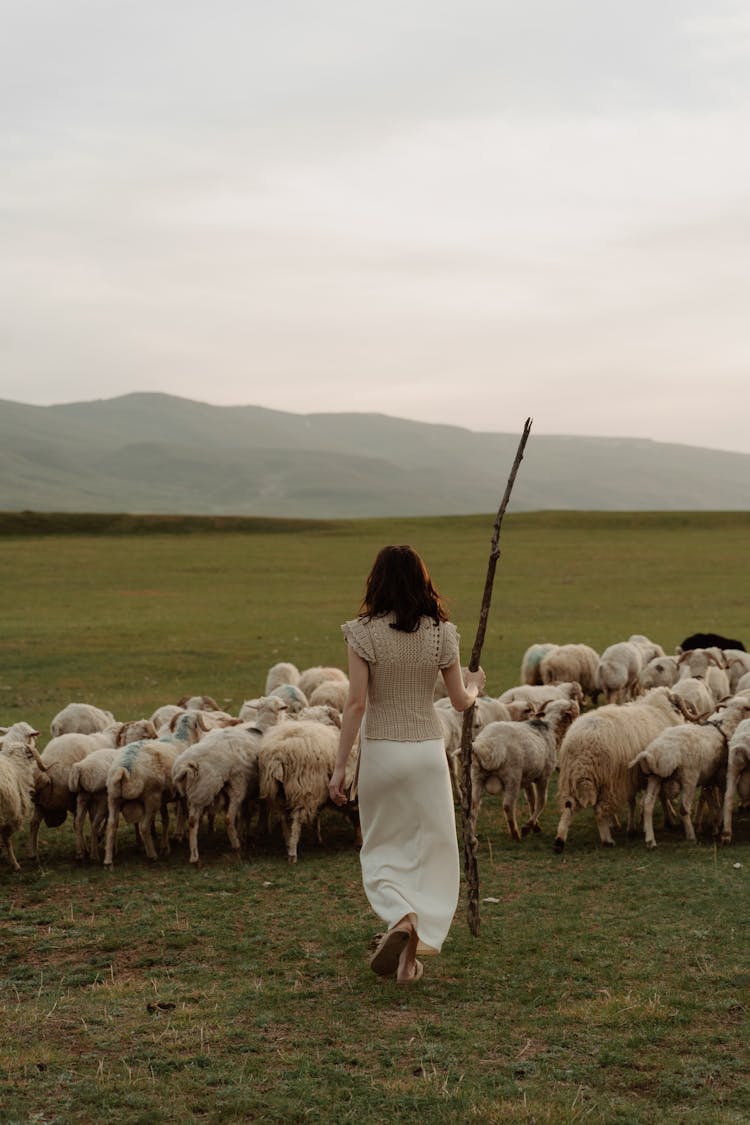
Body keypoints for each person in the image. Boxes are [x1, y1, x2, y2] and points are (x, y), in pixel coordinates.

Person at [328, 544, 485, 984]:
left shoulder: (362, 633)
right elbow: (458, 701)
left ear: (375, 581)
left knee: (382, 847)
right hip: (427, 752)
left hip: (382, 751)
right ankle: (408, 954)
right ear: (422, 580)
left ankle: (401, 922)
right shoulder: (441, 633)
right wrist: (474, 685)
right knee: (431, 849)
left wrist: (340, 767)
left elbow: (356, 704)